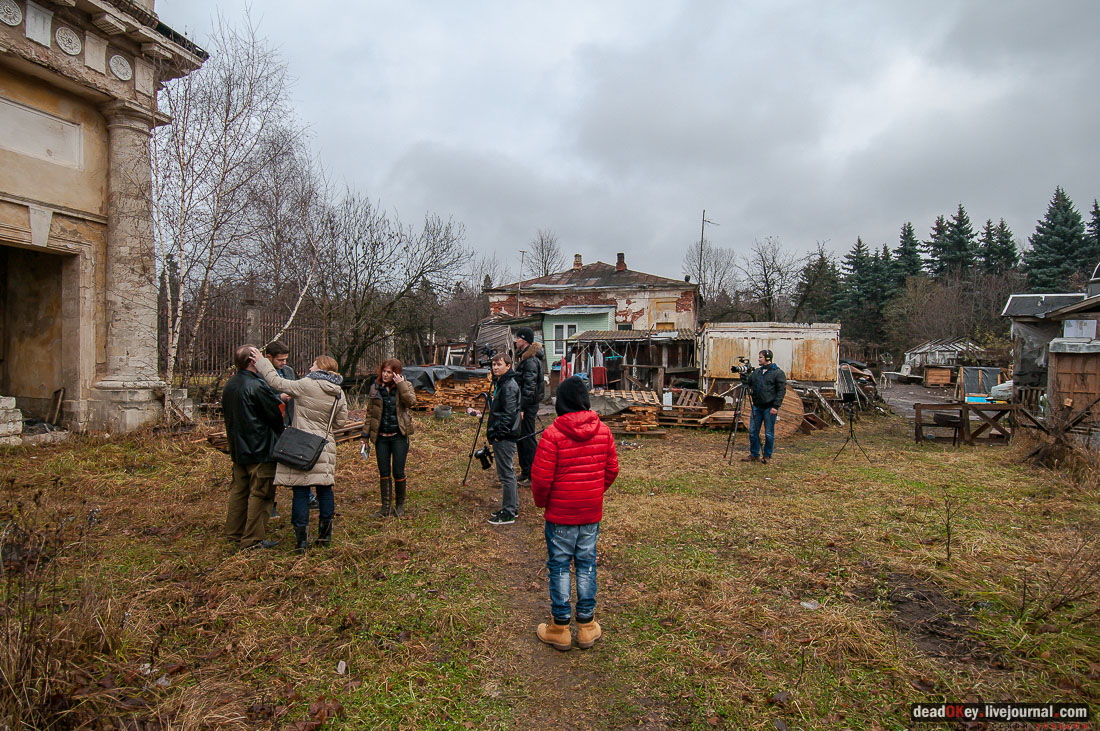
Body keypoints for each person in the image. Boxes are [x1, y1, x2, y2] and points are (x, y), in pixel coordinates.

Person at [530, 376, 619, 651]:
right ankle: (587, 626)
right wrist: (593, 492)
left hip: (560, 514)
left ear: (561, 402)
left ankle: (560, 627)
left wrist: (543, 503)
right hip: (590, 512)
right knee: (586, 564)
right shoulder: (603, 431)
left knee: (558, 565)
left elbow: (542, 480)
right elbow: (611, 469)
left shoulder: (553, 435)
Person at [250, 348, 348, 553]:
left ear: (320, 367)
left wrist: (261, 362)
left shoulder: (306, 384)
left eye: (313, 363)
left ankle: (301, 541)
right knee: (325, 489)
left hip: (301, 445)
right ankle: (324, 537)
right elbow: (340, 422)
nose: (310, 366)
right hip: (324, 446)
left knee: (301, 492)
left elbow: (276, 383)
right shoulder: (339, 392)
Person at [222, 344, 285, 551]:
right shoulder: (257, 386)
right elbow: (275, 415)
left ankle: (234, 533)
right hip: (262, 449)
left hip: (239, 449)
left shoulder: (230, 384)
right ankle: (252, 540)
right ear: (252, 361)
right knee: (262, 494)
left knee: (239, 492)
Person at [361, 358, 417, 517]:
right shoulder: (375, 388)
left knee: (398, 471)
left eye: (389, 372)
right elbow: (370, 413)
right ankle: (385, 507)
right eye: (384, 371)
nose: (385, 375)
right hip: (381, 437)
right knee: (384, 472)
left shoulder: (404, 386)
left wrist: (401, 385)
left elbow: (411, 401)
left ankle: (400, 505)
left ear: (396, 373)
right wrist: (365, 435)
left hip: (399, 435)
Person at [486, 352, 522, 525]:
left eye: (499, 364)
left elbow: (508, 414)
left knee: (506, 474)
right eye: (493, 365)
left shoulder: (508, 386)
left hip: (505, 437)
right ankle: (511, 508)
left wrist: (499, 435)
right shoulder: (503, 383)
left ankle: (508, 513)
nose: (495, 368)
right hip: (504, 434)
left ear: (508, 366)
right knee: (508, 473)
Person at [741, 349, 787, 465]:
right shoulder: (757, 372)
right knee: (753, 431)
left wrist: (776, 406)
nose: (758, 359)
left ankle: (767, 455)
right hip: (757, 406)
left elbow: (781, 390)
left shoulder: (777, 373)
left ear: (767, 358)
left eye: (760, 357)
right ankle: (754, 454)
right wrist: (743, 375)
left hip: (769, 407)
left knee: (768, 433)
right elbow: (749, 382)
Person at [513, 326, 545, 487]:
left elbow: (529, 388)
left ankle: (533, 475)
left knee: (528, 438)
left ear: (524, 340)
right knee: (521, 438)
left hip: (528, 406)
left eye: (518, 338)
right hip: (524, 405)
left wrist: (523, 408)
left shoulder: (531, 361)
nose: (516, 340)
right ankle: (525, 471)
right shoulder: (525, 358)